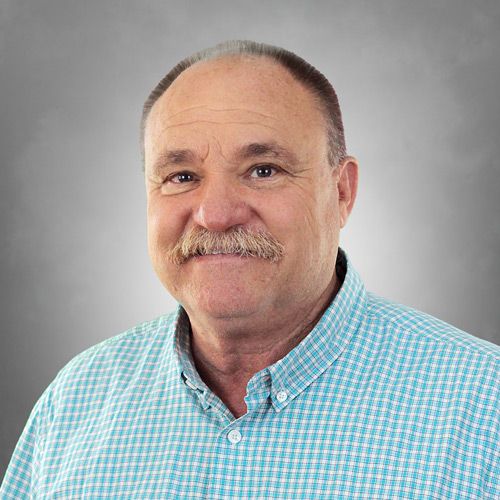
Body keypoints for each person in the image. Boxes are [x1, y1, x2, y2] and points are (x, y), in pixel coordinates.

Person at [1, 40, 498, 499]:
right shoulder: (75, 402)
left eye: (263, 170)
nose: (216, 214)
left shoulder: (484, 406)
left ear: (341, 192)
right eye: (182, 176)